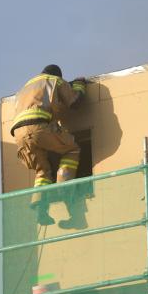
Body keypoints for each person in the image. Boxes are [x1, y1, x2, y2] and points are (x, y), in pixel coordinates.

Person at [11, 64, 88, 227]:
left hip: (19, 135)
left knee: (43, 171)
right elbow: (76, 102)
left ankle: (41, 210)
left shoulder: (25, 88)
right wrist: (79, 85)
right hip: (39, 127)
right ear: (58, 75)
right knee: (72, 149)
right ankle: (64, 187)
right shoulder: (55, 81)